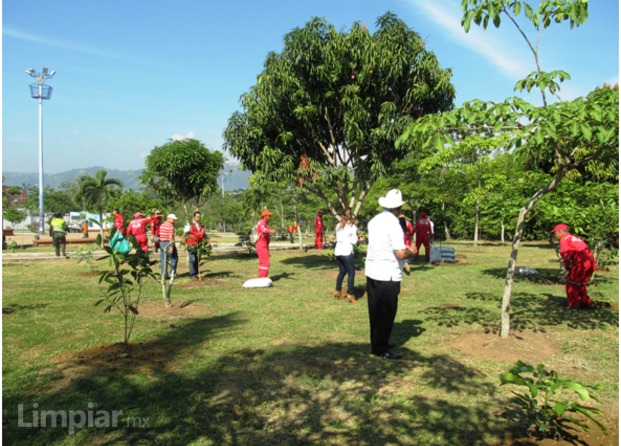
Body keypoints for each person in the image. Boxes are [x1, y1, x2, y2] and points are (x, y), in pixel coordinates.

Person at [365, 189, 415, 360]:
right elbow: (400, 253)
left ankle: (378, 342)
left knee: (375, 310)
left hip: (372, 270)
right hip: (388, 273)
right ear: (399, 207)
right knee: (387, 312)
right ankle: (381, 348)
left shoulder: (374, 220)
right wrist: (412, 251)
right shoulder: (393, 224)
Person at [551, 224, 596, 310]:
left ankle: (573, 305)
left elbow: (566, 255)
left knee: (572, 283)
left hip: (581, 263)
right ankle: (585, 302)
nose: (555, 235)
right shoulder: (572, 238)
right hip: (590, 262)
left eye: (555, 233)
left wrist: (568, 267)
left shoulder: (564, 239)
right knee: (580, 283)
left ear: (559, 232)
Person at [334, 210, 362, 303]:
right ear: (351, 217)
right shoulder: (352, 227)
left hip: (338, 251)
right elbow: (353, 241)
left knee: (342, 271)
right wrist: (360, 240)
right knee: (351, 273)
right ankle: (351, 294)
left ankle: (337, 291)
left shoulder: (338, 225)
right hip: (346, 251)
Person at [184, 211, 206, 280]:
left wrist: (206, 242)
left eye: (199, 217)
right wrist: (184, 244)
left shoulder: (201, 225)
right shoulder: (189, 224)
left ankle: (196, 273)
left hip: (199, 244)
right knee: (192, 259)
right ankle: (192, 275)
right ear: (194, 217)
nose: (198, 218)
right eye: (197, 217)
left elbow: (204, 234)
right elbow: (185, 234)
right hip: (191, 244)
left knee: (197, 259)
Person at [256, 209, 276, 278]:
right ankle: (262, 278)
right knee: (265, 262)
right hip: (261, 245)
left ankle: (261, 277)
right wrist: (271, 231)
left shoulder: (264, 223)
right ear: (265, 216)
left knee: (263, 261)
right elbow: (263, 230)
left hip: (264, 245)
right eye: (269, 216)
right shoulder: (261, 222)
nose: (270, 217)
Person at [160, 214, 179, 280]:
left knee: (163, 260)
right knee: (174, 258)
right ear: (169, 218)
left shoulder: (162, 225)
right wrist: (171, 246)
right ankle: (172, 273)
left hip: (162, 243)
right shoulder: (170, 226)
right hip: (168, 243)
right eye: (173, 219)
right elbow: (170, 236)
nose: (174, 221)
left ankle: (164, 275)